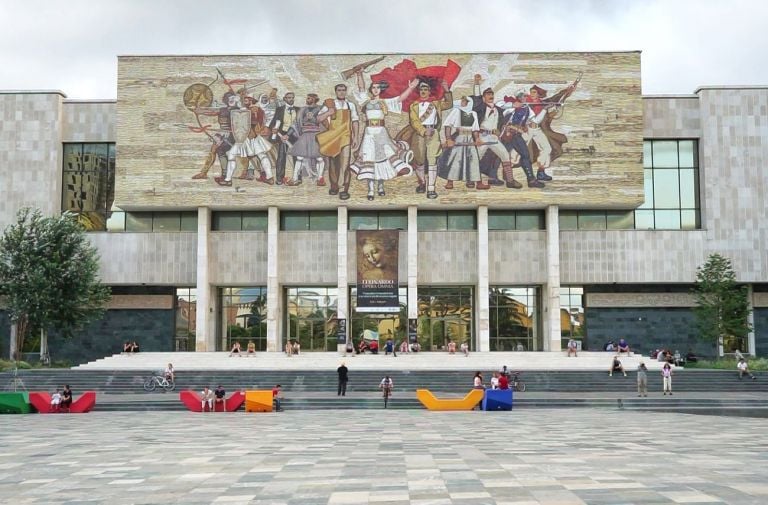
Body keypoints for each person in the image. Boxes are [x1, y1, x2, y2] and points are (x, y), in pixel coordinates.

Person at [350, 70, 416, 200]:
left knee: (383, 159)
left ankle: (380, 186)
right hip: (369, 134)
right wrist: (359, 74)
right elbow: (361, 87)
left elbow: (400, 99)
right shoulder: (366, 101)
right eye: (373, 87)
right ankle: (370, 190)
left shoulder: (385, 102)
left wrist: (410, 88)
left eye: (378, 88)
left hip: (381, 133)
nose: (375, 90)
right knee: (369, 158)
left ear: (381, 90)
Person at [437, 96, 490, 190]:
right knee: (455, 159)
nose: (462, 102)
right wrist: (448, 139)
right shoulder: (456, 111)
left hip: (470, 139)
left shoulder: (473, 113)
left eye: (465, 101)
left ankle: (478, 183)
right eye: (462, 100)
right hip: (459, 138)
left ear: (469, 102)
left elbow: (475, 129)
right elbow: (448, 125)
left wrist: (477, 139)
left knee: (473, 160)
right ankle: (450, 182)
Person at [317, 83, 360, 199]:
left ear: (346, 92)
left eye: (343, 90)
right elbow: (319, 118)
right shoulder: (330, 104)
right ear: (336, 92)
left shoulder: (350, 105)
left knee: (345, 164)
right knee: (333, 164)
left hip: (346, 137)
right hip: (333, 137)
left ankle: (344, 189)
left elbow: (355, 121)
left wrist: (355, 137)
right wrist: (328, 113)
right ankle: (334, 186)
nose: (341, 92)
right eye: (339, 90)